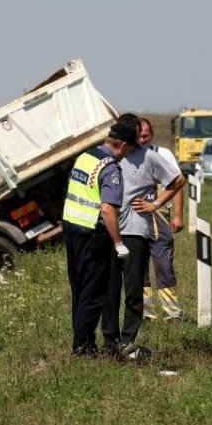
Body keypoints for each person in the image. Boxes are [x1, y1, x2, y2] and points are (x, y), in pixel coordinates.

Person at [101, 113, 185, 358]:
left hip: (136, 232)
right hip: (110, 230)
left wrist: (156, 203)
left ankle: (128, 340)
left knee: (134, 288)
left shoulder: (149, 158)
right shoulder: (111, 156)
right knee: (110, 289)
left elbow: (178, 180)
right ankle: (110, 341)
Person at [63, 122, 137, 356]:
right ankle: (83, 348)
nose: (127, 155)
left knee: (79, 290)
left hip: (72, 230)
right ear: (123, 145)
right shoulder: (110, 168)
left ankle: (81, 341)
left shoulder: (85, 157)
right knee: (93, 294)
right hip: (93, 236)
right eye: (129, 150)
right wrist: (118, 243)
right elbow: (107, 209)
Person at [138, 117, 184, 320]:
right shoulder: (129, 156)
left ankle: (172, 313)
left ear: (152, 135)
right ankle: (147, 314)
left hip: (161, 220)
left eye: (145, 136)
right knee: (139, 269)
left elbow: (177, 185)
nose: (142, 139)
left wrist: (179, 216)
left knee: (164, 266)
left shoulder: (163, 154)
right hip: (136, 221)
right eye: (138, 136)